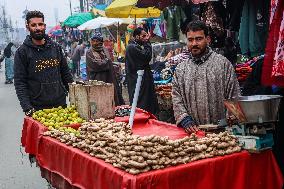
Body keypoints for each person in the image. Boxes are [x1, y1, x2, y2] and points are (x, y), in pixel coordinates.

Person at [172, 21, 240, 134]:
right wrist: (184, 118)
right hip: (193, 135)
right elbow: (176, 98)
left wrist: (231, 124)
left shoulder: (222, 64)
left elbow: (234, 96)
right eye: (190, 40)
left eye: (198, 39)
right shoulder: (181, 69)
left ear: (208, 39)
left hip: (221, 134)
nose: (194, 43)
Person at [14, 10, 73, 116]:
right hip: (37, 108)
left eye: (40, 24)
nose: (38, 28)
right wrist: (27, 107)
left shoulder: (56, 48)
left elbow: (66, 74)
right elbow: (20, 82)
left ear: (44, 26)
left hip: (60, 105)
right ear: (28, 27)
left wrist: (74, 96)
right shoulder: (22, 52)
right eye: (33, 25)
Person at [125, 27, 159, 115]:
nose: (146, 38)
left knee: (146, 100)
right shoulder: (132, 47)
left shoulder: (136, 46)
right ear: (137, 37)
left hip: (142, 79)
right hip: (138, 80)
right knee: (141, 102)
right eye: (143, 36)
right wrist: (147, 43)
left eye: (146, 36)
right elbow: (146, 57)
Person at [86, 33, 124, 106]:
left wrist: (112, 64)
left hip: (109, 77)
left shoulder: (104, 49)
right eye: (93, 41)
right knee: (100, 98)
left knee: (111, 96)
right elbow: (95, 65)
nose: (95, 43)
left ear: (101, 42)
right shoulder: (89, 52)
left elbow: (109, 60)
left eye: (97, 41)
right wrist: (107, 61)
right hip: (97, 79)